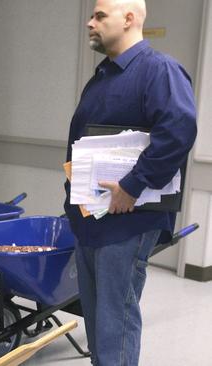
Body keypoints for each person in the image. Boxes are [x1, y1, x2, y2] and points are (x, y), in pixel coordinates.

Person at [64, 0, 197, 365]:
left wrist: (133, 185)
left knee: (114, 324)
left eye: (99, 16)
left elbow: (178, 132)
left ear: (129, 18)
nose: (90, 23)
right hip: (90, 218)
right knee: (96, 322)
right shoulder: (103, 76)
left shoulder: (160, 71)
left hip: (127, 222)